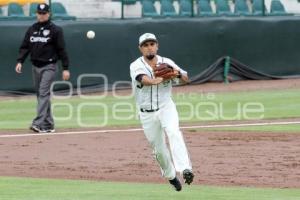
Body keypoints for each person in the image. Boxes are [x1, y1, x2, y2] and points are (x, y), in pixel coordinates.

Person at [130, 33, 194, 191]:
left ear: (157, 46)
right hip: (147, 113)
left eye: (152, 44)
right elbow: (142, 78)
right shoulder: (135, 65)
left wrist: (177, 73)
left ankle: (185, 169)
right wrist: (154, 80)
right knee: (159, 150)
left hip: (166, 107)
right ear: (140, 49)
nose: (149, 47)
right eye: (145, 45)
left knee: (173, 132)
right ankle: (171, 176)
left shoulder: (167, 62)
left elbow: (186, 78)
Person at [15, 3, 70, 133]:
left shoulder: (55, 30)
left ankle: (38, 123)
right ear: (36, 14)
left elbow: (61, 50)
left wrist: (65, 68)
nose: (41, 15)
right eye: (39, 13)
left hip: (49, 66)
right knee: (41, 95)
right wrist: (20, 61)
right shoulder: (32, 29)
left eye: (44, 13)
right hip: (35, 66)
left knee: (43, 93)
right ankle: (49, 124)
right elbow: (25, 46)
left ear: (49, 14)